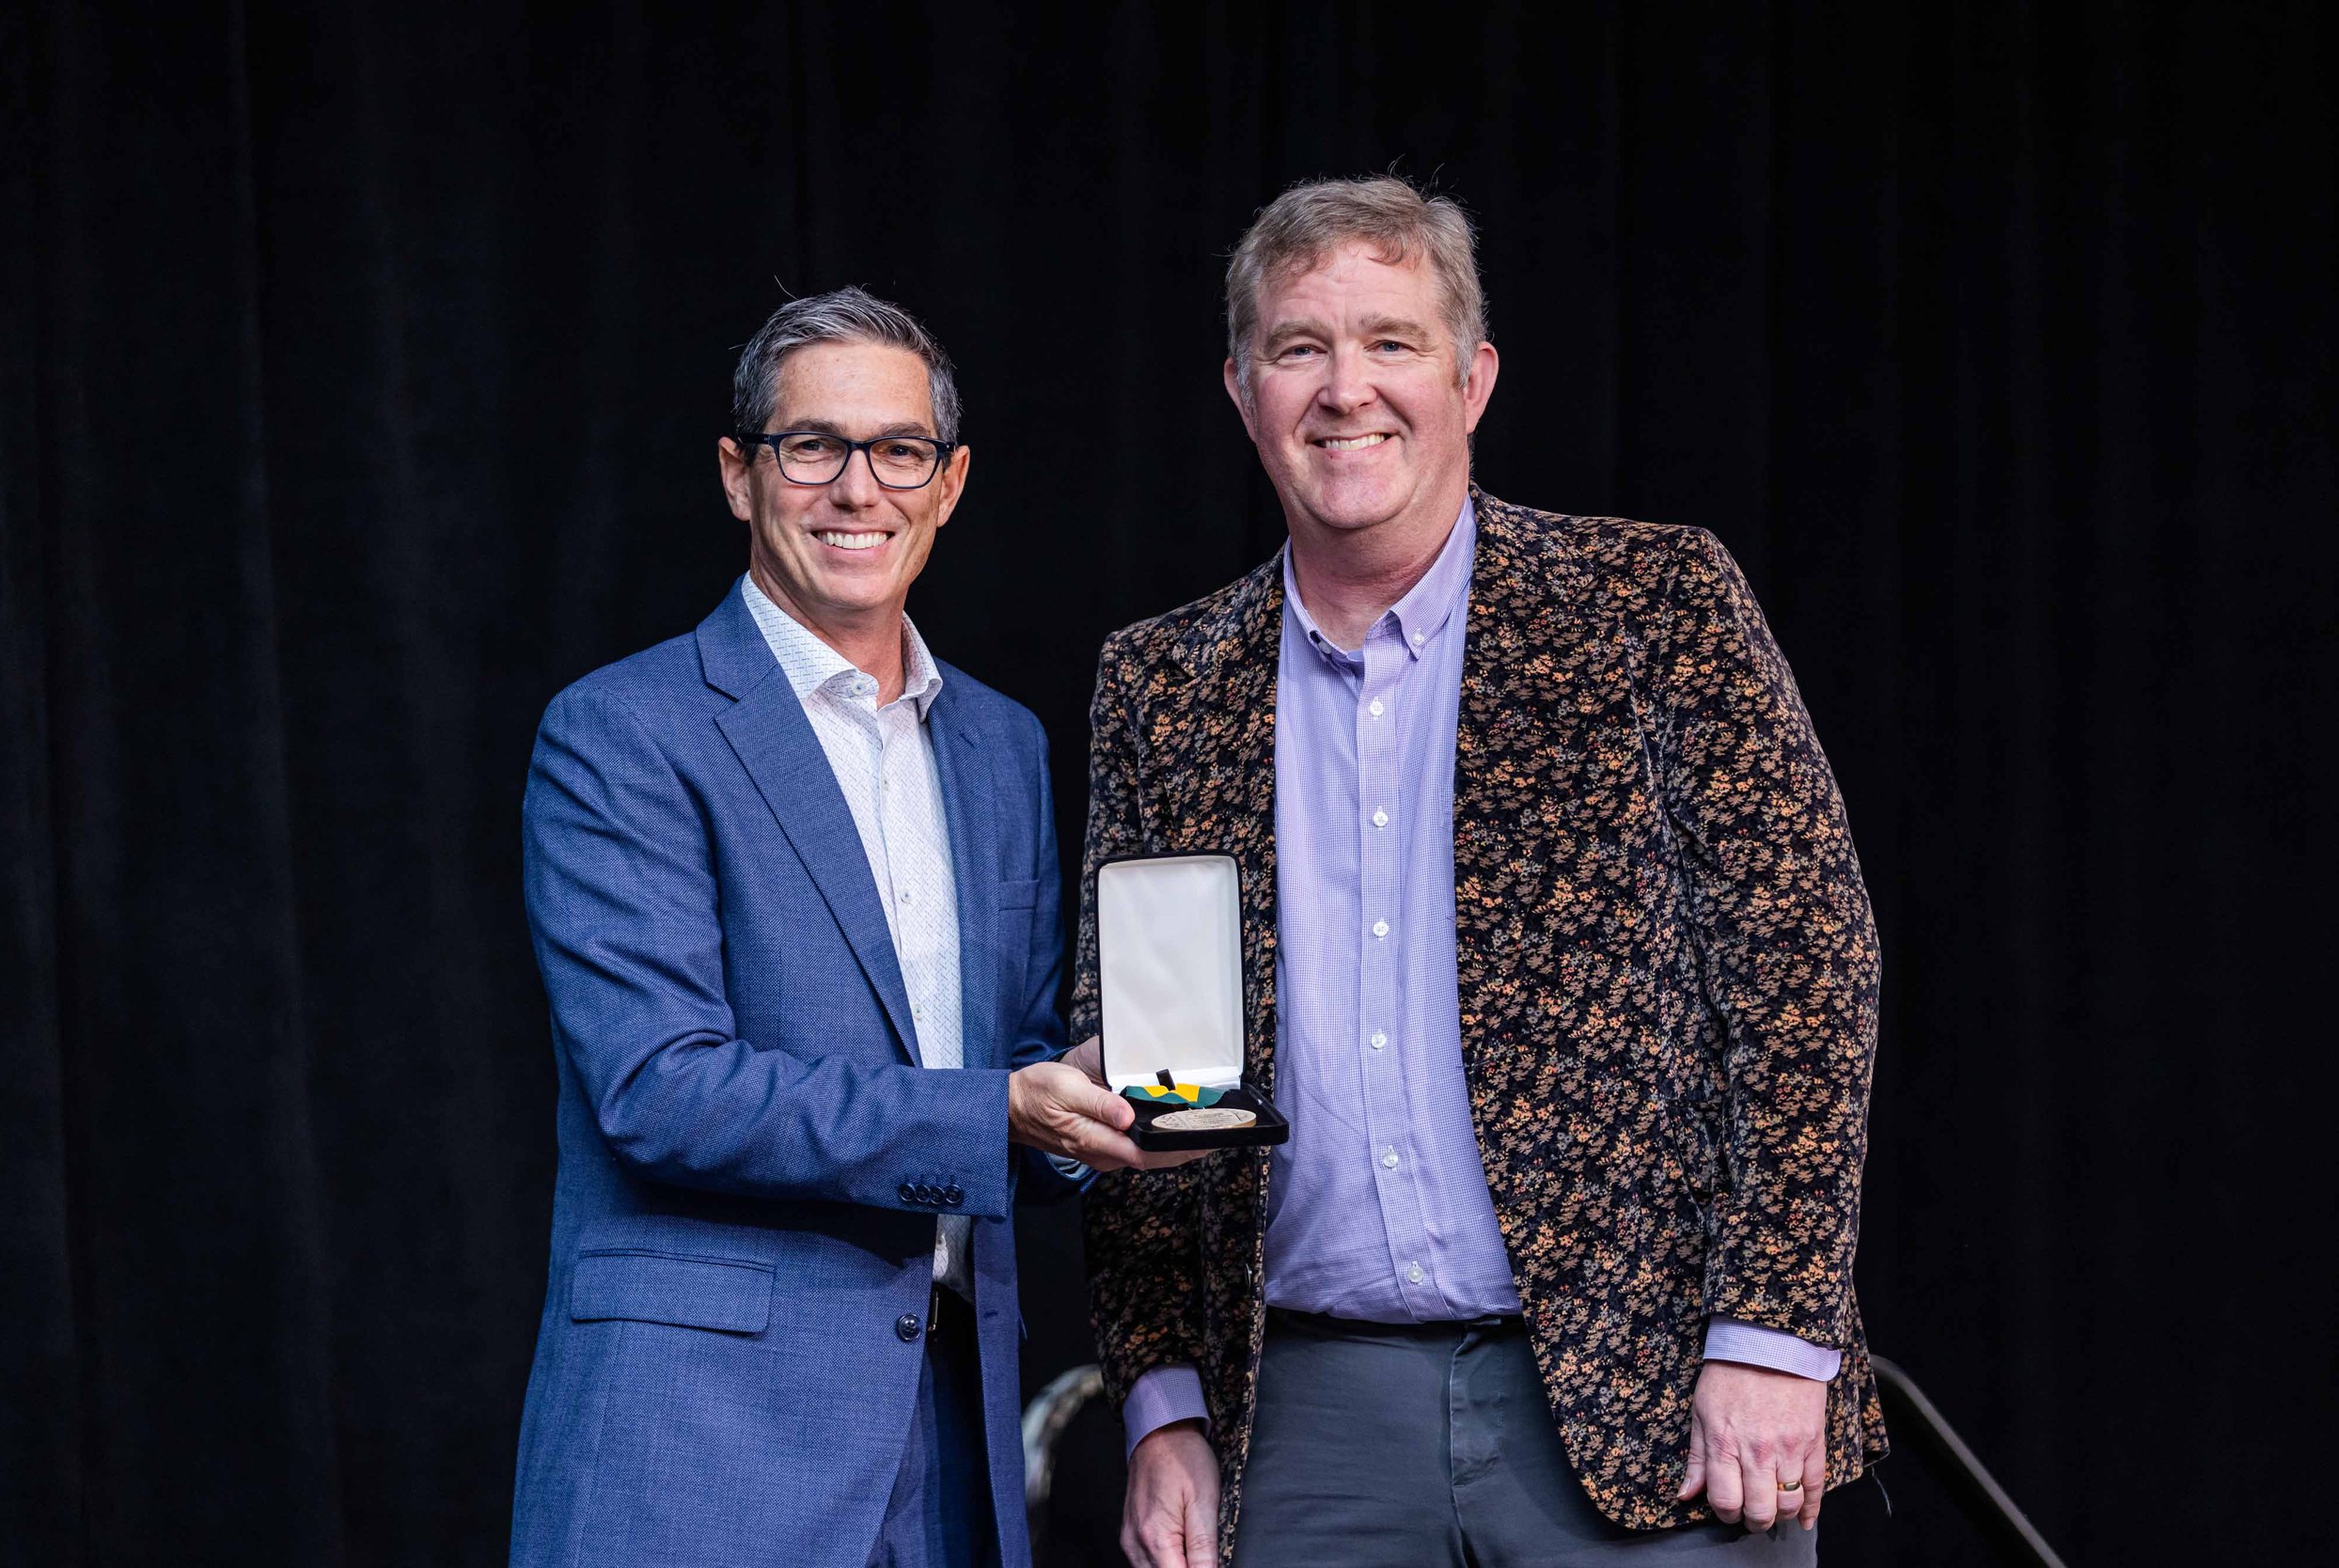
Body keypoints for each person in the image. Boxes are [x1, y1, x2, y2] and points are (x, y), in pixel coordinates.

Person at [1074, 176, 1887, 1568]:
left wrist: (1773, 1332)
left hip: (1655, 1396)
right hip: (1302, 1425)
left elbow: (1806, 974)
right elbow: (1140, 1076)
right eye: (1299, 348)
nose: (1347, 390)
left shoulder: (1655, 608)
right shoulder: (1163, 686)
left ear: (1473, 379)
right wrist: (1165, 1405)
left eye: (1391, 341)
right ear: (1243, 391)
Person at [510, 288, 1178, 1568]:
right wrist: (1000, 1114)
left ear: (950, 483)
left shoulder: (1001, 747)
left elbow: (1016, 1069)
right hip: (704, 1452)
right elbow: (661, 1090)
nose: (857, 488)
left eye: (900, 450)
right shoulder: (621, 733)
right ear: (739, 474)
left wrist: (1109, 1112)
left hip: (952, 1446)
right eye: (812, 446)